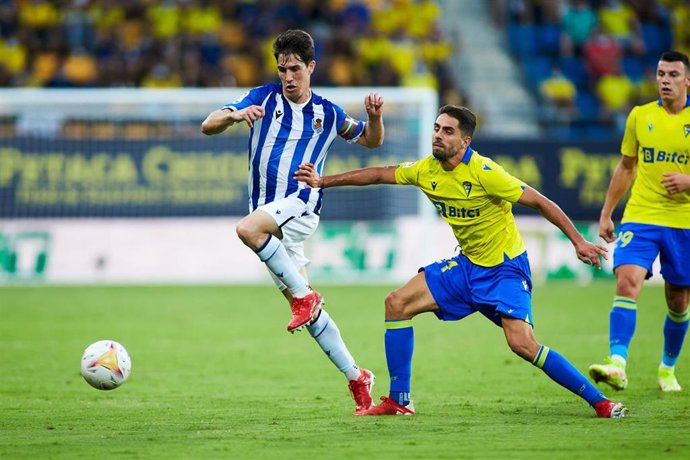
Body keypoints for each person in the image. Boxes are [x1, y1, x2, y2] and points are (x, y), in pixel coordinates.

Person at [294, 105, 628, 418]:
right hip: (467, 268)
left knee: (523, 344)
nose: (438, 135)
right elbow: (380, 174)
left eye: (448, 131)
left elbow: (541, 202)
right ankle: (399, 401)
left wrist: (578, 240)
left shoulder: (486, 172)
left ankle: (599, 402)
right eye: (437, 128)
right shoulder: (426, 169)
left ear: (464, 140)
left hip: (505, 270)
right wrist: (325, 181)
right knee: (396, 303)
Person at [201, 29, 385, 413]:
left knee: (246, 229)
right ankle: (357, 378)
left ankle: (304, 296)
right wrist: (235, 115)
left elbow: (370, 140)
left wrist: (374, 118)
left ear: (311, 67)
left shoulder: (328, 113)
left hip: (301, 203)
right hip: (270, 217)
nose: (288, 76)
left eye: (295, 69)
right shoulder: (263, 98)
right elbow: (208, 124)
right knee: (311, 315)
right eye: (282, 68)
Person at [588, 50, 690, 393]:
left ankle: (667, 368)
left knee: (678, 300)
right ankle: (617, 364)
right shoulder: (640, 116)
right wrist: (606, 212)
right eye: (661, 73)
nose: (665, 80)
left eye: (673, 75)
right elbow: (627, 166)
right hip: (641, 216)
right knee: (626, 281)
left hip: (684, 221)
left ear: (687, 80)